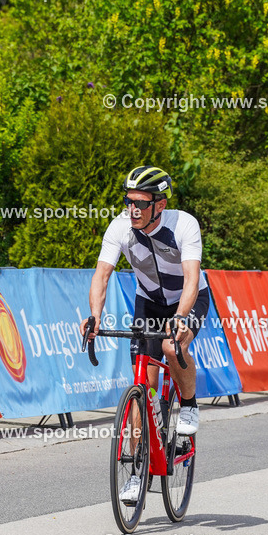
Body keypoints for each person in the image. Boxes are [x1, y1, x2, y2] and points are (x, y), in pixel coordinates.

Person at [81, 166, 209, 503]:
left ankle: (190, 404)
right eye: (129, 201)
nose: (133, 209)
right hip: (149, 302)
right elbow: (102, 275)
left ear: (160, 204)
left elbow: (192, 278)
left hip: (188, 298)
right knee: (143, 388)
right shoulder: (120, 228)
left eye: (141, 202)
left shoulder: (184, 225)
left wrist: (181, 317)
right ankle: (138, 472)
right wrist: (94, 316)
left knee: (171, 347)